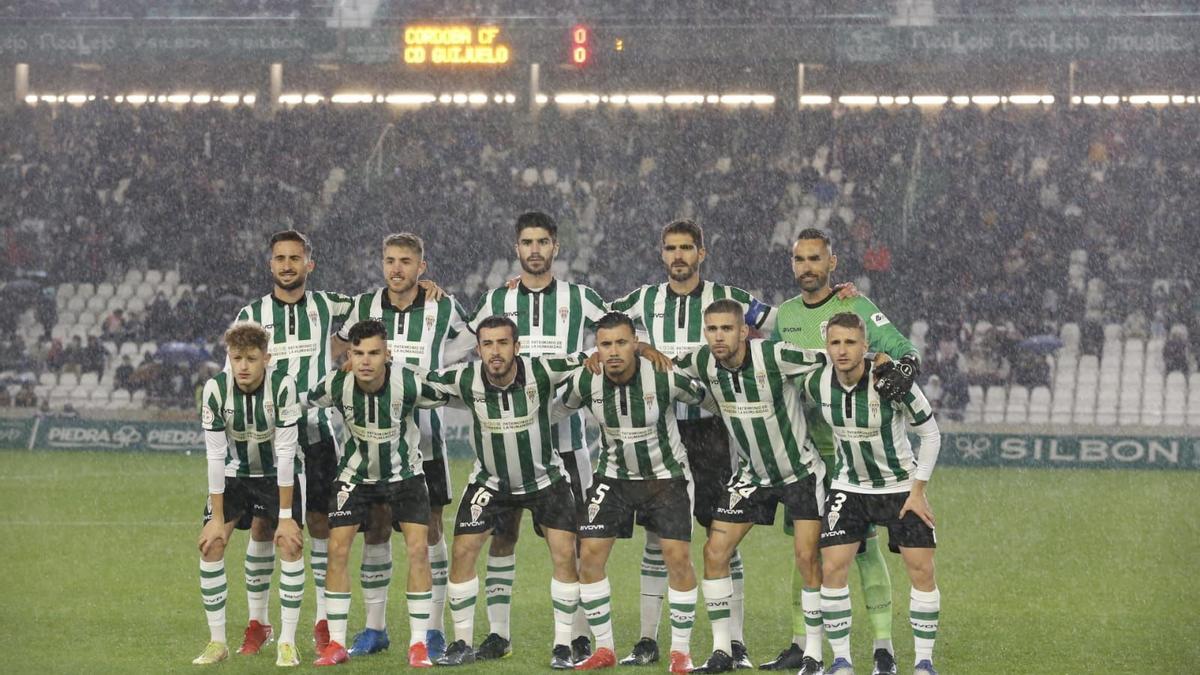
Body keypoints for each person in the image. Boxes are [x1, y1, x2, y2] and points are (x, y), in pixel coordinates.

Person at [606, 219, 776, 668]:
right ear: (661, 254)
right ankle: (647, 640)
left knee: (723, 536)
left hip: (712, 432)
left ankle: (734, 643)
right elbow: (597, 317)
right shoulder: (644, 299)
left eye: (686, 248)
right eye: (670, 248)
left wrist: (835, 300)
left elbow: (781, 321)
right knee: (658, 539)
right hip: (660, 431)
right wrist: (640, 348)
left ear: (702, 252)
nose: (678, 256)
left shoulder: (726, 299)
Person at [767, 228, 920, 673]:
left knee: (865, 552)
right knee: (806, 551)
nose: (807, 267)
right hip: (806, 458)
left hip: (856, 461)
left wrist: (899, 369)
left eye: (816, 259)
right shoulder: (787, 316)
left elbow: (903, 351)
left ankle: (883, 647)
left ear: (832, 263)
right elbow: (781, 381)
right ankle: (804, 645)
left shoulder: (854, 305)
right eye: (800, 259)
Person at [464, 212, 609, 663]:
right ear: (516, 248)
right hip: (508, 448)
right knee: (502, 538)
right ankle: (499, 635)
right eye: (527, 242)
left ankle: (578, 634)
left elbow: (617, 334)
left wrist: (602, 354)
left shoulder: (579, 297)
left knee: (574, 542)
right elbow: (459, 346)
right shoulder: (495, 300)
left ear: (556, 247)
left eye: (542, 242)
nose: (534, 250)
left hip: (565, 443)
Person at [333, 233, 474, 659]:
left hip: (426, 438)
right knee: (375, 527)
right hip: (372, 440)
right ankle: (374, 629)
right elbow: (341, 342)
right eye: (390, 260)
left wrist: (437, 361)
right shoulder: (364, 306)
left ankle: (432, 630)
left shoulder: (442, 305)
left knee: (429, 529)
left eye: (406, 261)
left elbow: (471, 339)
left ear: (421, 267)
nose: (397, 268)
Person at [675, 299, 830, 675]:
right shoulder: (702, 361)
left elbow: (831, 357)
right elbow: (660, 362)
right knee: (714, 552)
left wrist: (880, 360)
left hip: (800, 474)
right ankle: (722, 652)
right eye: (711, 329)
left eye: (726, 328)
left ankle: (813, 654)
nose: (718, 337)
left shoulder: (775, 356)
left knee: (807, 559)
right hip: (751, 478)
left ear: (744, 330)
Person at [423, 316, 584, 669]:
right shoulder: (465, 378)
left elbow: (589, 359)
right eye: (487, 345)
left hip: (545, 480)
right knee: (464, 549)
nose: (495, 352)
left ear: (517, 346)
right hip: (490, 483)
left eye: (502, 343)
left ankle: (563, 645)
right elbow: (418, 383)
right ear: (478, 349)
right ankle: (462, 642)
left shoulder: (542, 370)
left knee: (564, 554)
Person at [560, 312, 706, 673]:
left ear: (635, 345)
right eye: (606, 344)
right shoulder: (586, 380)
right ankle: (604, 648)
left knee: (677, 559)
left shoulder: (662, 374)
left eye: (622, 343)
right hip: (613, 478)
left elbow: (703, 396)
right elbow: (557, 405)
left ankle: (680, 653)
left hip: (666, 478)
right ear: (596, 348)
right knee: (589, 556)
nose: (613, 351)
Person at [232, 230, 354, 653]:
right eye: (280, 258)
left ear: (309, 264)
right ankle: (258, 622)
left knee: (320, 523)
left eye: (295, 258)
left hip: (318, 432)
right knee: (265, 527)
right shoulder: (251, 314)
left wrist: (424, 289)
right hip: (266, 438)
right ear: (270, 265)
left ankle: (322, 621)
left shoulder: (329, 305)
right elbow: (236, 372)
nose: (287, 265)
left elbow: (380, 306)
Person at [305, 319, 451, 667]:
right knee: (337, 550)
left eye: (374, 353)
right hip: (354, 477)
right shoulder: (336, 384)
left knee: (418, 550)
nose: (366, 361)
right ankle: (337, 643)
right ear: (349, 356)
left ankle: (418, 644)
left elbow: (450, 393)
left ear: (388, 353)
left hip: (406, 476)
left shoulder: (408, 382)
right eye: (358, 353)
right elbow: (302, 402)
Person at [804, 313, 942, 675]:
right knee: (832, 568)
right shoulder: (816, 381)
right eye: (836, 343)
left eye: (851, 343)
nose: (843, 350)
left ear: (866, 347)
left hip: (899, 488)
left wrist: (918, 490)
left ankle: (924, 663)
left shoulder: (890, 381)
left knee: (921, 571)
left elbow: (931, 434)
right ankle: (842, 661)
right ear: (827, 346)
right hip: (848, 487)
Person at [192, 321, 306, 667]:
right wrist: (215, 518)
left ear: (266, 359)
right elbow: (214, 454)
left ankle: (287, 641)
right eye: (236, 357)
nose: (243, 366)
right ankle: (217, 641)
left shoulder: (283, 387)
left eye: (251, 358)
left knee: (288, 543)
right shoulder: (215, 390)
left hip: (277, 475)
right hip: (235, 474)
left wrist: (285, 519)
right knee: (211, 544)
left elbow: (286, 454)